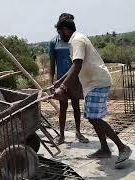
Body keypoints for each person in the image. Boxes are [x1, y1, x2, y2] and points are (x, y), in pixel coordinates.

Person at [53, 19, 132, 163]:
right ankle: (104, 149)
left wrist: (62, 87)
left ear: (65, 30)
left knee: (94, 117)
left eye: (59, 32)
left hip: (98, 82)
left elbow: (77, 65)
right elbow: (73, 67)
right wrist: (59, 82)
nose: (59, 36)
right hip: (92, 84)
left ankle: (122, 147)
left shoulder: (77, 40)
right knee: (91, 117)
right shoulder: (76, 40)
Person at [49, 13, 89, 145]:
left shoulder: (75, 41)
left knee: (77, 106)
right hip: (61, 80)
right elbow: (51, 64)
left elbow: (78, 63)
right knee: (63, 107)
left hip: (75, 79)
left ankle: (78, 133)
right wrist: (52, 82)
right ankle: (61, 136)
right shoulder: (53, 42)